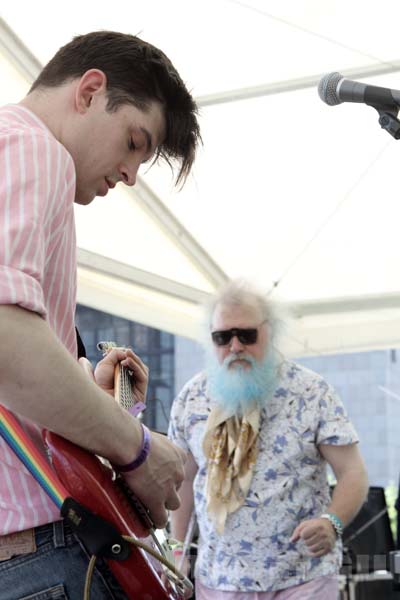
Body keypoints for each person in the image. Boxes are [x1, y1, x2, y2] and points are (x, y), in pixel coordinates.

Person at [0, 30, 201, 599]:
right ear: (89, 91)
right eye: (135, 141)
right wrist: (137, 448)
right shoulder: (34, 147)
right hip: (35, 550)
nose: (132, 174)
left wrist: (85, 386)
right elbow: (6, 339)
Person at [168, 279, 369, 599]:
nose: (235, 347)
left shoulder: (312, 392)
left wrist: (332, 522)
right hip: (218, 581)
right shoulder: (191, 397)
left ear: (270, 332)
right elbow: (181, 481)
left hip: (303, 579)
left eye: (247, 335)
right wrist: (176, 551)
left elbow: (353, 473)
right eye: (222, 337)